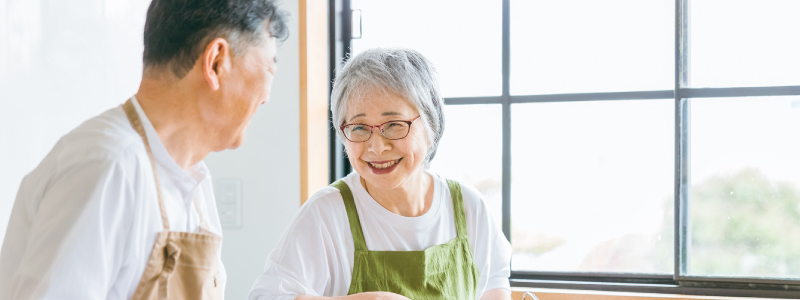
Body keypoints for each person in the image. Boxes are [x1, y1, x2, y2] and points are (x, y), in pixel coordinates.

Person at [0, 0, 287, 299]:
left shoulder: (194, 182)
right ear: (216, 62)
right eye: (269, 68)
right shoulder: (108, 166)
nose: (267, 96)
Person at [248, 48, 512, 300]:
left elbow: (494, 282)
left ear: (432, 125)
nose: (376, 147)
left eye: (394, 125)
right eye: (360, 127)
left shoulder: (468, 207)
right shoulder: (326, 214)